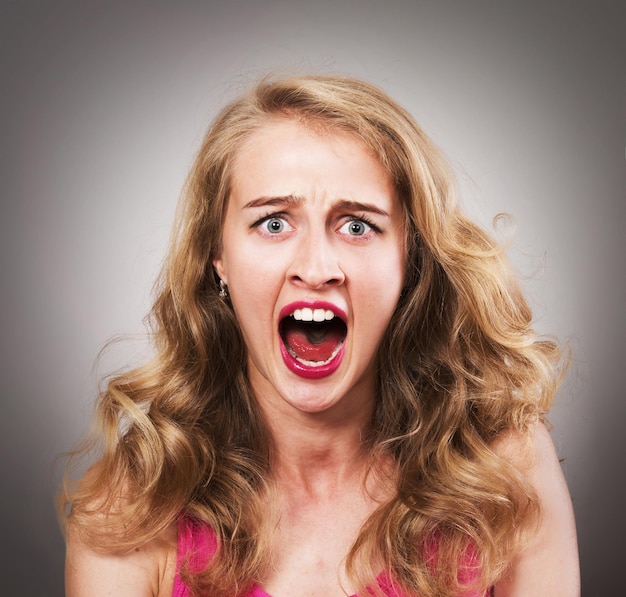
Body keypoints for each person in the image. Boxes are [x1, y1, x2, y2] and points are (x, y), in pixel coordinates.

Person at [61, 73, 580, 597]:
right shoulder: (132, 504)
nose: (316, 267)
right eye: (273, 222)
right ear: (218, 256)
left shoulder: (507, 471)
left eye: (357, 226)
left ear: (410, 261)